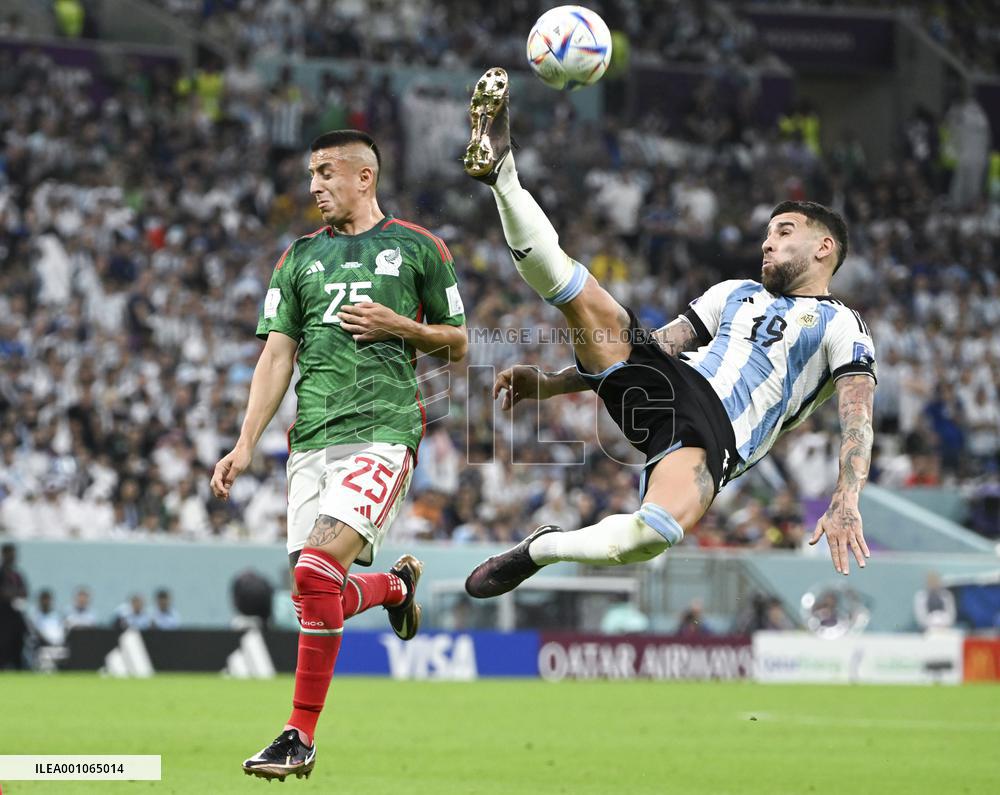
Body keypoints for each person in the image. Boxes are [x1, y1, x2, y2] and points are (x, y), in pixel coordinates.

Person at [460, 68, 876, 600]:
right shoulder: (734, 291)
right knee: (583, 298)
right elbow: (657, 347)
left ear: (824, 249)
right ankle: (504, 175)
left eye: (784, 232)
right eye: (768, 233)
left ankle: (538, 549)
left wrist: (847, 495)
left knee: (648, 534)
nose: (768, 244)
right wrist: (556, 383)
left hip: (717, 432)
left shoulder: (842, 323)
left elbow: (857, 417)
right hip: (669, 381)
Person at [210, 129, 468, 781]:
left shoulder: (418, 248)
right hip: (311, 441)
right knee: (314, 592)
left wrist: (401, 326)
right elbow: (276, 355)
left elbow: (458, 343)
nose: (314, 186)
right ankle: (394, 586)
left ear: (364, 177)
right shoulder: (296, 258)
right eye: (311, 174)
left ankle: (299, 734)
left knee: (317, 572)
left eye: (326, 172)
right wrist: (245, 443)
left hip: (382, 430)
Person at [0, 542, 29, 669]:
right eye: (10, 553)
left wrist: (13, 594)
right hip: (3, 616)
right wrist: (13, 594)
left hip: (16, 616)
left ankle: (18, 668)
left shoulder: (17, 574)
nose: (12, 556)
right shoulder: (1, 573)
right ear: (4, 554)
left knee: (18, 643)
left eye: (14, 554)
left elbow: (25, 592)